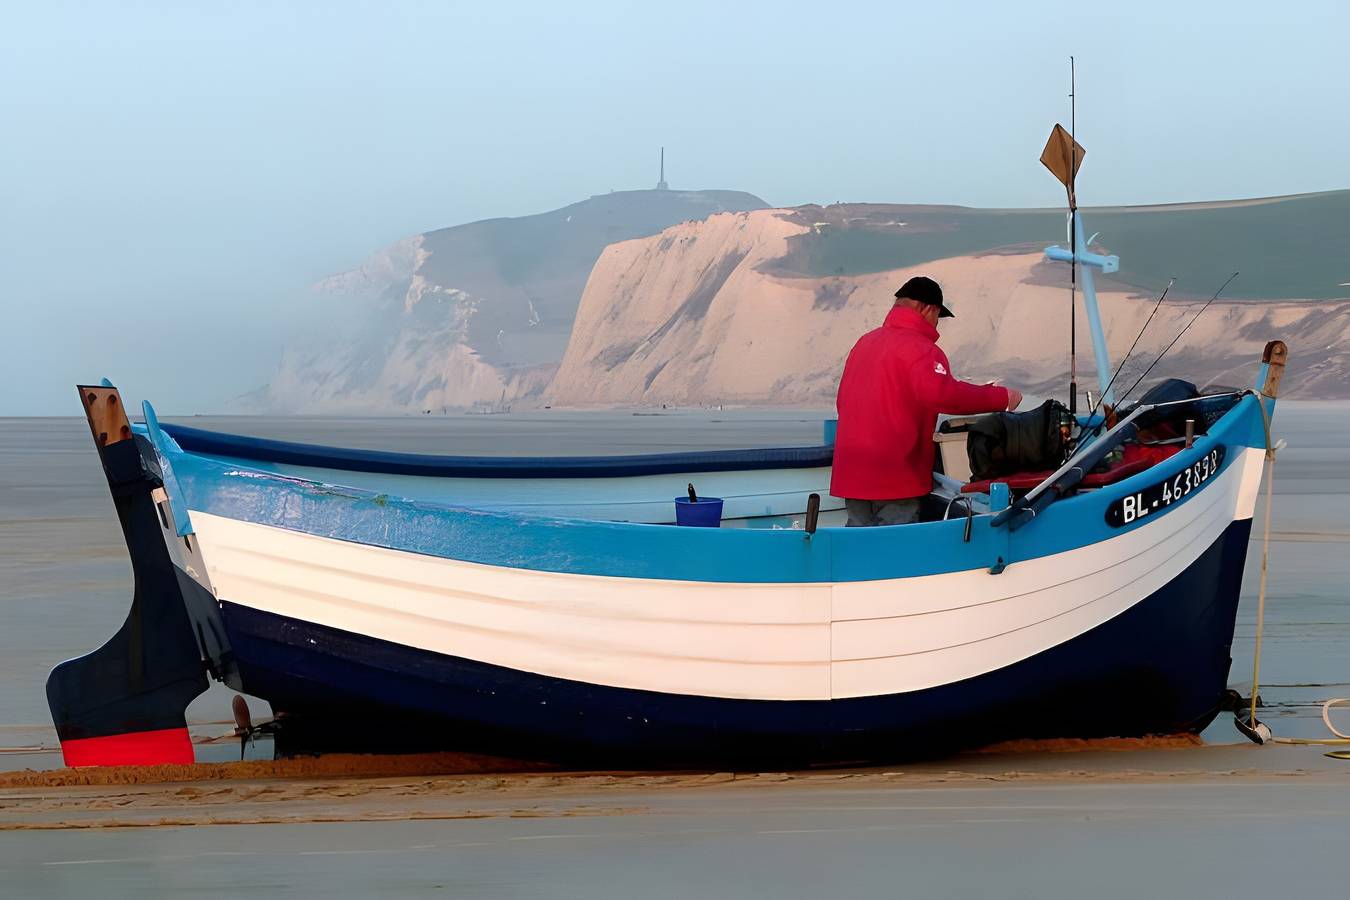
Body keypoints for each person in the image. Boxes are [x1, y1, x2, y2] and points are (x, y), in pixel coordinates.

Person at [830, 276, 1023, 526]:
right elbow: (944, 395)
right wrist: (1001, 398)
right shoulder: (921, 349)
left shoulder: (864, 343)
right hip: (894, 474)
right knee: (896, 547)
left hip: (853, 472)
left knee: (857, 545)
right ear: (928, 308)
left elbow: (844, 402)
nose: (937, 326)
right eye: (938, 317)